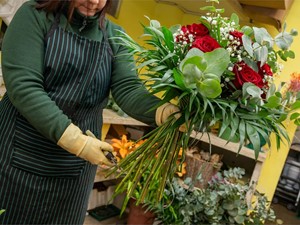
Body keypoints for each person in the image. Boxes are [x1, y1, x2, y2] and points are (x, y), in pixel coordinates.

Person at [0, 0, 179, 224]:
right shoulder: (33, 16)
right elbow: (25, 86)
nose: (94, 1)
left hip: (74, 171)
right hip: (20, 156)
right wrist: (77, 141)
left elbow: (128, 88)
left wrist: (163, 111)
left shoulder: (115, 37)